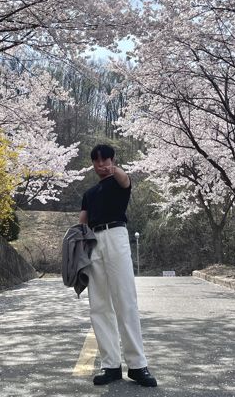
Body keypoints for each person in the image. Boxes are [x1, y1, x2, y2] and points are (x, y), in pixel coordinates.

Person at [79, 143, 157, 387]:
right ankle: (110, 365)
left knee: (125, 300)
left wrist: (116, 170)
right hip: (94, 241)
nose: (101, 164)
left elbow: (125, 180)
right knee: (99, 304)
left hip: (116, 235)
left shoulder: (119, 182)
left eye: (105, 160)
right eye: (97, 161)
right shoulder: (89, 194)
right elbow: (82, 223)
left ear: (113, 160)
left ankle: (138, 365)